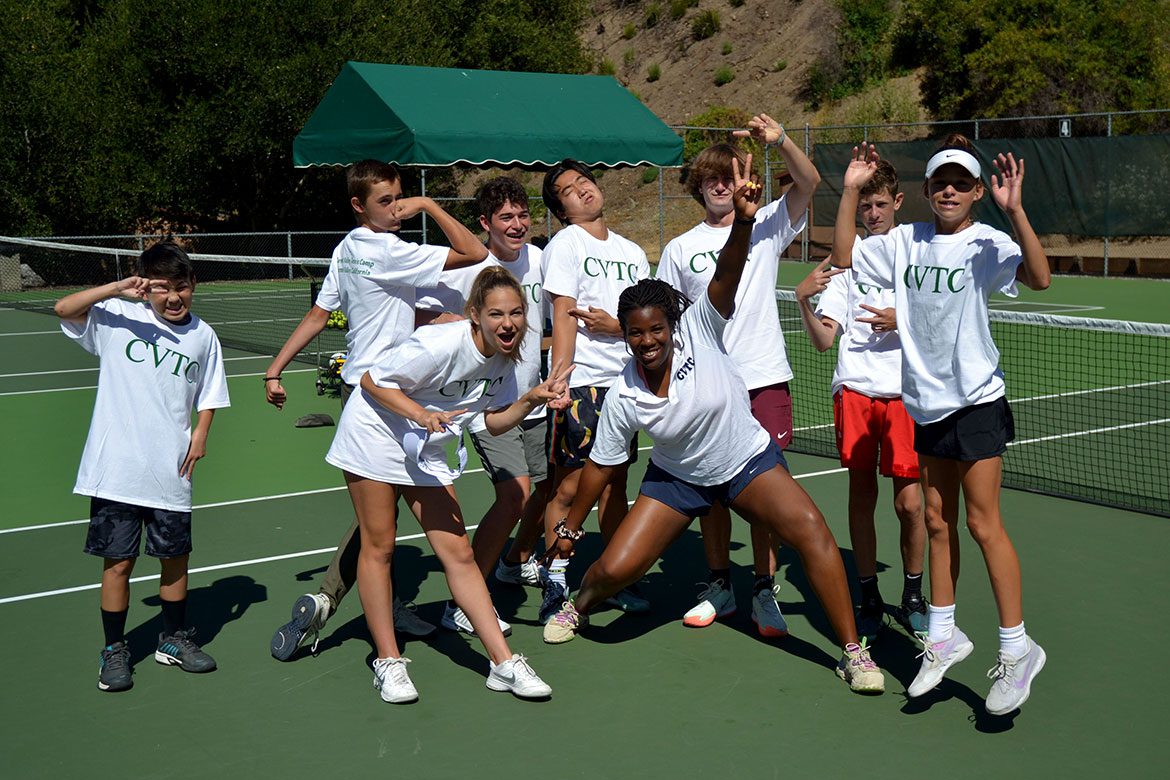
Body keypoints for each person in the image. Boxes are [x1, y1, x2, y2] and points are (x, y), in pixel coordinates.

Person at [540, 155, 886, 695]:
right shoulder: (625, 394)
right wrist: (569, 528)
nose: (648, 341)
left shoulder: (701, 324)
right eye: (635, 333)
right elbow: (600, 469)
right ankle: (577, 606)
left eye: (656, 329)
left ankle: (852, 652)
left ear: (671, 324)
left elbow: (726, 273)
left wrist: (744, 221)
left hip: (745, 461)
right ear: (624, 335)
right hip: (677, 479)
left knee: (812, 532)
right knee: (614, 570)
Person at [831, 137, 1050, 714]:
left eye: (961, 183)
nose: (949, 190)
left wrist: (1015, 210)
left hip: (975, 402)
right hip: (925, 404)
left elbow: (1039, 278)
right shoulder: (906, 241)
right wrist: (850, 190)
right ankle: (945, 635)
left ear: (977, 192)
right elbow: (845, 255)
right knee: (935, 520)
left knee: (982, 523)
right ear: (926, 191)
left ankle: (1017, 648)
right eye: (940, 182)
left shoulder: (986, 242)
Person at [263, 159, 489, 660]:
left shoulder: (347, 249)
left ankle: (377, 603)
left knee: (381, 521)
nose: (397, 209)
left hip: (359, 392)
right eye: (386, 201)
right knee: (396, 522)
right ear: (358, 205)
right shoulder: (389, 250)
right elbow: (475, 251)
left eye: (400, 197)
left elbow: (321, 314)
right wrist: (429, 204)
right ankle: (336, 601)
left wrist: (275, 369)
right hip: (391, 396)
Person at [331, 266, 569, 703]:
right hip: (376, 436)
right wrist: (421, 415)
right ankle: (388, 660)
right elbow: (371, 381)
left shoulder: (507, 359)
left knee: (459, 552)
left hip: (425, 444)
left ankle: (503, 664)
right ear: (475, 314)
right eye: (496, 314)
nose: (508, 323)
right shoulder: (439, 343)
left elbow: (492, 423)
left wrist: (529, 400)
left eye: (516, 313)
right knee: (380, 546)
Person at [656, 114, 819, 637]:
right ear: (698, 187)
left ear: (743, 182)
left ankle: (763, 590)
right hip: (707, 387)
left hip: (763, 378)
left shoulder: (767, 223)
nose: (721, 185)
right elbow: (667, 320)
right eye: (711, 178)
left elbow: (809, 182)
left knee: (766, 491)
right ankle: (720, 583)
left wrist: (782, 141)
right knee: (711, 488)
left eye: (728, 176)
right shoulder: (680, 249)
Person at [54, 241, 231, 692]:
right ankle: (114, 650)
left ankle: (172, 639)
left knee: (175, 560)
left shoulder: (203, 336)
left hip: (172, 470)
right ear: (146, 287)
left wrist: (201, 434)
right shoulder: (117, 317)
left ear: (193, 285)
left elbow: (210, 393)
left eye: (181, 287)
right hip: (116, 470)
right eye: (162, 288)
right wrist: (117, 288)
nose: (173, 297)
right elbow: (63, 308)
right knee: (119, 564)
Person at [794, 160, 927, 642]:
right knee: (861, 495)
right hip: (855, 390)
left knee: (910, 505)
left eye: (880, 204)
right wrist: (802, 300)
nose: (872, 213)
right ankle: (868, 592)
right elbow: (824, 341)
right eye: (864, 205)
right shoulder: (845, 265)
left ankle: (913, 594)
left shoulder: (916, 251)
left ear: (897, 203)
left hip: (906, 394)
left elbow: (939, 314)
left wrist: (902, 319)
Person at [412, 177, 550, 635]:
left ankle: (512, 564)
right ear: (486, 224)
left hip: (535, 398)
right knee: (515, 496)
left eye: (523, 215)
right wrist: (451, 321)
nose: (517, 225)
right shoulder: (469, 268)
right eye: (506, 217)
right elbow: (418, 311)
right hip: (487, 401)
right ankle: (466, 603)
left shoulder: (541, 260)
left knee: (543, 492)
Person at [538, 159, 652, 619]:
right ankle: (555, 578)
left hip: (625, 385)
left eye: (584, 181)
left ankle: (611, 579)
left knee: (615, 485)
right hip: (583, 384)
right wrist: (561, 379)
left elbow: (642, 321)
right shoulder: (565, 244)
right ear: (561, 210)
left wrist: (618, 329)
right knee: (570, 488)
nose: (582, 190)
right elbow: (564, 316)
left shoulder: (632, 251)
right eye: (569, 190)